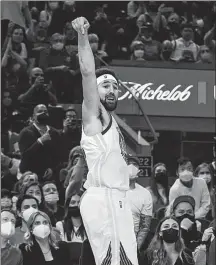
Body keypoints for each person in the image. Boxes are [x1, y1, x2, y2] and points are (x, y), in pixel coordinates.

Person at [72, 17, 138, 265]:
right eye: (105, 86)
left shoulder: (111, 122)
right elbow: (88, 72)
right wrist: (83, 36)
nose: (112, 90)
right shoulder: (94, 113)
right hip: (105, 198)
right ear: (95, 92)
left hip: (115, 198)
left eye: (115, 87)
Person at [19, 104, 62, 180]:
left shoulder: (55, 133)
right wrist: (39, 142)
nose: (43, 113)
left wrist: (53, 169)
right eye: (40, 111)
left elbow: (59, 157)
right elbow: (25, 156)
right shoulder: (25, 132)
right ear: (33, 116)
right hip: (32, 176)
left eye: (45, 111)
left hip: (52, 176)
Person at [126, 155, 152, 252]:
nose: (131, 166)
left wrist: (135, 249)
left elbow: (145, 226)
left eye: (135, 164)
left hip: (133, 241)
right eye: (128, 164)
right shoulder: (112, 191)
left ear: (139, 171)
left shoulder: (145, 194)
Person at [56, 192, 86, 265]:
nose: (76, 205)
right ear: (67, 206)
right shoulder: (60, 225)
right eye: (73, 202)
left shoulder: (89, 226)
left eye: (79, 202)